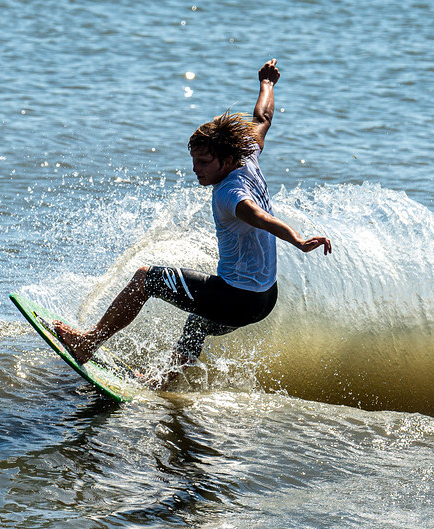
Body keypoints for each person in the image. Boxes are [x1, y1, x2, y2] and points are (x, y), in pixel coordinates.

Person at [54, 59, 331, 385]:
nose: (196, 169)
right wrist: (267, 84)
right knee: (198, 321)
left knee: (146, 279)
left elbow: (258, 216)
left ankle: (87, 343)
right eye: (193, 160)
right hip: (264, 298)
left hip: (239, 298)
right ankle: (165, 382)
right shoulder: (248, 151)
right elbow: (263, 117)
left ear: (226, 160)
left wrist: (297, 239)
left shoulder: (229, 193)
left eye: (204, 162)